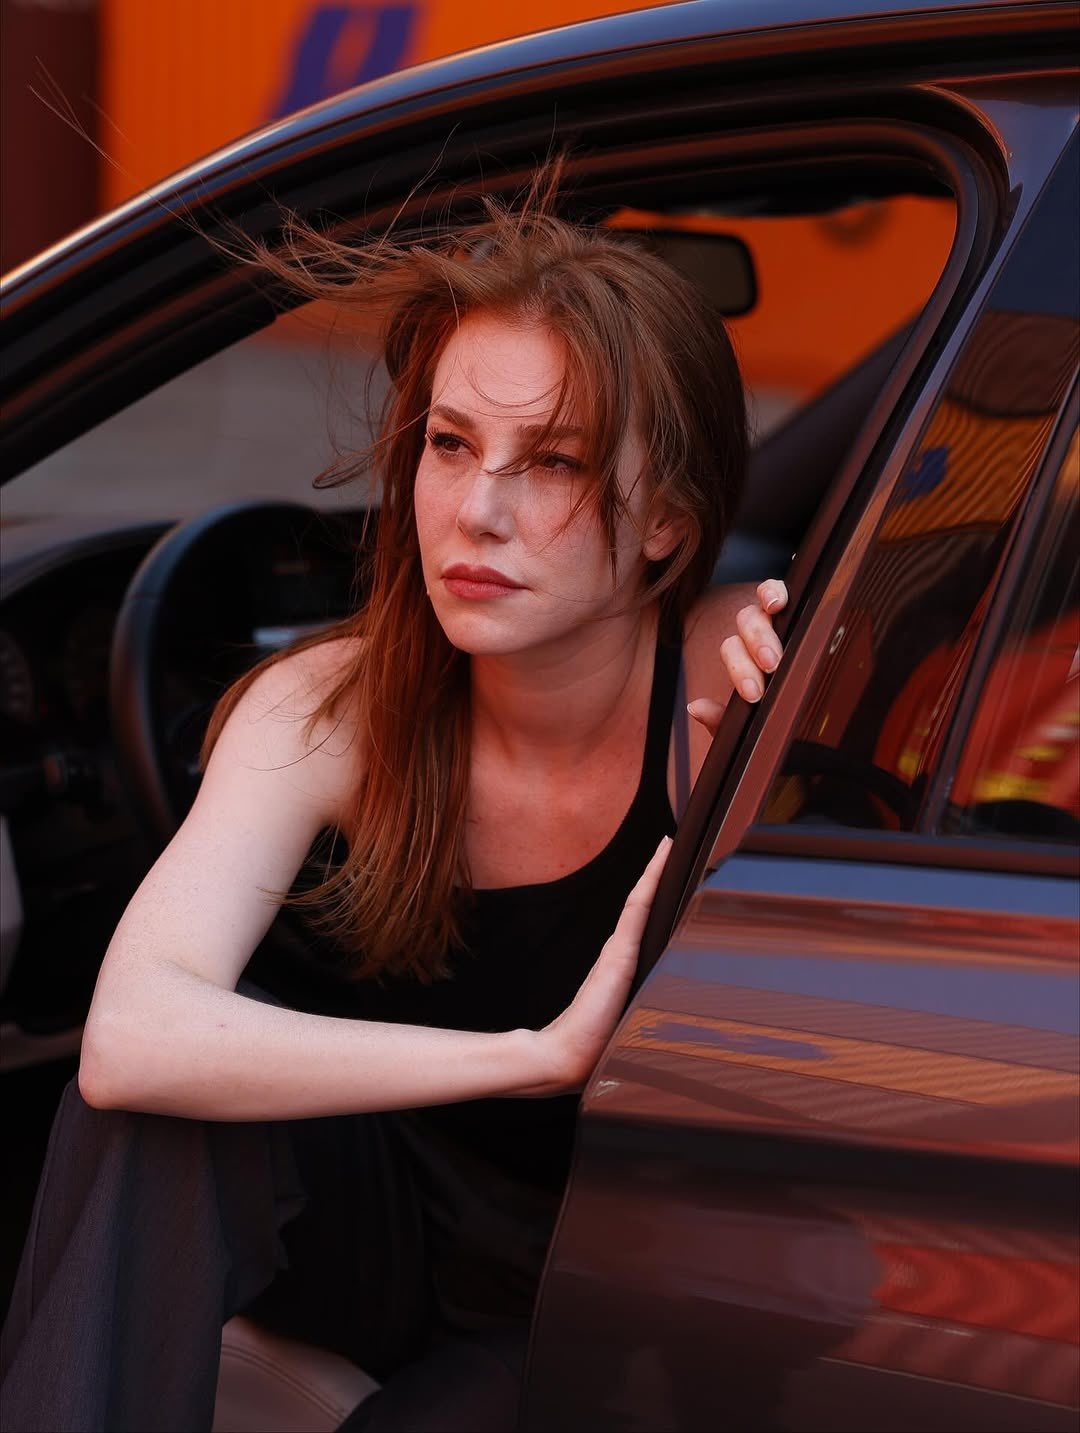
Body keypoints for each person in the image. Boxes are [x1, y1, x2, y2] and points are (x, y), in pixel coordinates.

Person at [0, 190, 786, 1432]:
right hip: (387, 1230)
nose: (476, 510)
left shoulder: (732, 696)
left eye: (556, 461)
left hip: (603, 1273)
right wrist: (533, 1056)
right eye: (451, 443)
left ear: (669, 524)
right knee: (150, 1111)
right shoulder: (334, 704)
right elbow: (131, 1034)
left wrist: (810, 693)